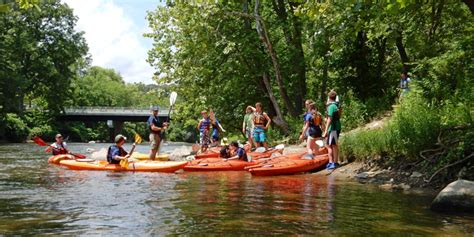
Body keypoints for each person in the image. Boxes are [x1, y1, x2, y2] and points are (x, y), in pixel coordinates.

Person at [323, 90, 342, 170]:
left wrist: (325, 131)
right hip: (335, 127)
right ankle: (331, 162)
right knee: (329, 145)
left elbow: (330, 119)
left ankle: (334, 162)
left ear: (329, 98)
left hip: (333, 128)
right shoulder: (335, 105)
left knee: (333, 145)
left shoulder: (331, 106)